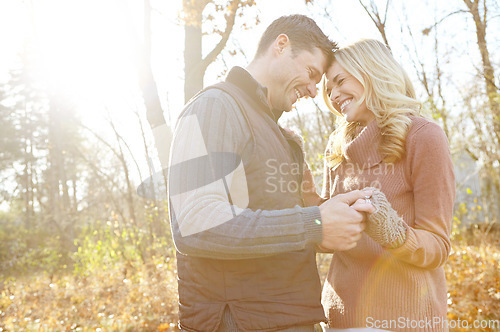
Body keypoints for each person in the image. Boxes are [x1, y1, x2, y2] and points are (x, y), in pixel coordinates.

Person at [168, 15, 374, 332]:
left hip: (292, 318)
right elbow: (195, 222)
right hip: (240, 321)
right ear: (281, 45)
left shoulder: (279, 136)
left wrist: (332, 217)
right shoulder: (214, 107)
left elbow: (287, 227)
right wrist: (314, 224)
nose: (312, 90)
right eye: (311, 73)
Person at [320, 39, 455, 331]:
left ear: (372, 70)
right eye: (328, 89)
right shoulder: (336, 147)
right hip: (342, 319)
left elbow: (439, 246)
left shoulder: (423, 136)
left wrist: (392, 232)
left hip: (406, 320)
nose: (333, 95)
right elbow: (328, 235)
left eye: (340, 81)